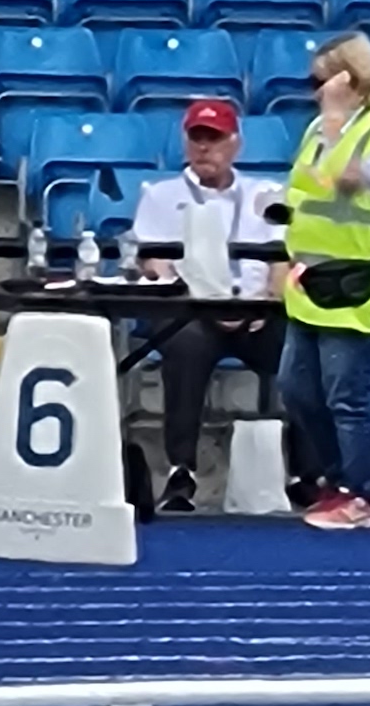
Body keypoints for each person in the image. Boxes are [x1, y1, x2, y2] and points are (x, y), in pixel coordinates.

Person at [132, 100, 318, 513]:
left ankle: (307, 474)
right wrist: (198, 298)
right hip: (192, 309)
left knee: (302, 345)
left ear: (235, 143)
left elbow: (282, 259)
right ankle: (181, 472)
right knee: (185, 344)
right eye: (197, 138)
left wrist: (269, 302)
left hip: (257, 311)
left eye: (214, 139)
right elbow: (153, 261)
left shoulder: (265, 196)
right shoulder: (161, 196)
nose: (204, 148)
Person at [277, 33, 370, 532]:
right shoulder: (318, 128)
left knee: (350, 398)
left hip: (362, 289)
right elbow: (310, 186)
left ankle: (365, 494)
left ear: (348, 79)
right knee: (298, 390)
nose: (314, 90)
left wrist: (336, 130)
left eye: (321, 79)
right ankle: (337, 481)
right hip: (312, 284)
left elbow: (362, 181)